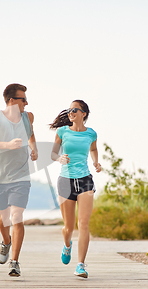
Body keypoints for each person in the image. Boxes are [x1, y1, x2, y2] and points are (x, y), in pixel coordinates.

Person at [0, 83, 38, 277]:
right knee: (4, 218)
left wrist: (33, 148)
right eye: (23, 99)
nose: (27, 103)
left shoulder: (28, 117)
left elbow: (30, 133)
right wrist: (7, 144)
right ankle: (6, 242)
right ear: (12, 101)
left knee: (17, 217)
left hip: (21, 176)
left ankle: (15, 261)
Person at [50, 100, 101, 278]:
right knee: (68, 228)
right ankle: (67, 245)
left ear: (83, 114)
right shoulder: (62, 131)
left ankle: (80, 265)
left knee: (84, 224)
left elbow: (93, 149)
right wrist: (59, 159)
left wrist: (95, 162)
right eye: (69, 110)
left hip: (85, 179)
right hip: (65, 180)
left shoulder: (91, 133)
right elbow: (53, 154)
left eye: (74, 110)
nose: (70, 112)